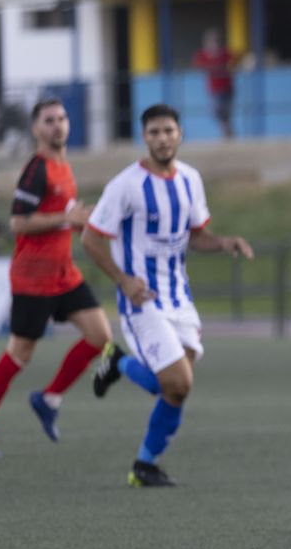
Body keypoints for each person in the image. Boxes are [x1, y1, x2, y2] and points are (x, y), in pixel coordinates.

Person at [81, 105, 254, 487]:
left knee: (176, 389)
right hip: (142, 300)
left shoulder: (190, 179)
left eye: (168, 131)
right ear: (145, 137)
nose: (162, 138)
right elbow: (90, 238)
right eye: (154, 132)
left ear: (180, 134)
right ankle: (119, 362)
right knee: (176, 382)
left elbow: (196, 234)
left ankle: (144, 465)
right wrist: (124, 280)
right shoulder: (125, 185)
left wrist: (225, 242)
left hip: (180, 298)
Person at [0, 98, 112, 459]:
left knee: (100, 336)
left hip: (64, 273)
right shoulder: (36, 169)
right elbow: (18, 222)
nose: (58, 125)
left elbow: (66, 216)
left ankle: (49, 398)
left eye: (62, 118)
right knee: (20, 353)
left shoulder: (65, 167)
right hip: (32, 277)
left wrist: (81, 225)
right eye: (49, 120)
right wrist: (68, 220)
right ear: (36, 129)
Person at [192, 29, 236, 140]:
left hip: (227, 87)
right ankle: (226, 129)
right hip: (214, 89)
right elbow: (197, 64)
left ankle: (227, 131)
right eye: (210, 42)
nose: (213, 44)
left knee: (226, 111)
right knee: (215, 110)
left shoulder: (225, 53)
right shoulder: (204, 55)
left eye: (215, 41)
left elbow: (234, 63)